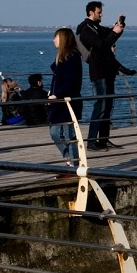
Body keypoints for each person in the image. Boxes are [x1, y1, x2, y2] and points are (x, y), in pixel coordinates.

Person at [76, 0, 125, 150]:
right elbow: (102, 45)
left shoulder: (96, 27)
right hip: (98, 72)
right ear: (91, 12)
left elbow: (109, 36)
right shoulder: (86, 29)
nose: (101, 14)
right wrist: (114, 33)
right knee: (100, 106)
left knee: (107, 106)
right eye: (99, 12)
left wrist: (118, 28)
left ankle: (103, 139)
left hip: (107, 71)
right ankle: (91, 141)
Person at [47, 28, 84, 168]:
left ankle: (75, 165)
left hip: (67, 102)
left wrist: (58, 94)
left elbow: (71, 81)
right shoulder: (61, 57)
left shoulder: (72, 56)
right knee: (55, 132)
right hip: (58, 102)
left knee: (69, 135)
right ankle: (69, 159)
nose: (53, 40)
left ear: (62, 38)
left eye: (56, 37)